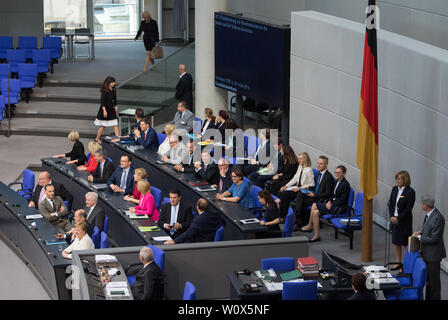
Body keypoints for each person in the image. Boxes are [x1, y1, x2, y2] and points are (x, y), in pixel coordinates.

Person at [301, 165, 351, 242]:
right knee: (315, 212)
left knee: (314, 205)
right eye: (336, 172)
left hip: (339, 208)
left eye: (339, 173)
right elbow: (332, 194)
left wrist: (331, 204)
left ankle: (309, 225)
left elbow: (343, 200)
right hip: (332, 205)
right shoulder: (336, 181)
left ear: (344, 174)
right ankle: (317, 235)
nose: (336, 174)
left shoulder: (345, 185)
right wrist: (329, 201)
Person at [411, 195, 446, 300]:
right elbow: (428, 229)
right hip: (427, 254)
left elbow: (434, 238)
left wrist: (420, 237)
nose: (420, 205)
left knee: (434, 283)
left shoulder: (438, 218)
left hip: (433, 256)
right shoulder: (429, 215)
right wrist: (420, 232)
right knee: (429, 282)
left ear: (426, 205)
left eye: (421, 203)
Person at [293, 155, 335, 227]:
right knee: (300, 194)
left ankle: (299, 221)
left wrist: (314, 195)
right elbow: (315, 186)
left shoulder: (329, 177)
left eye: (321, 164)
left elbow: (328, 194)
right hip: (314, 194)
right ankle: (299, 219)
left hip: (320, 199)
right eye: (318, 163)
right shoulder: (319, 173)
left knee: (302, 202)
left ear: (326, 164)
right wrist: (307, 188)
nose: (318, 165)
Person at [387, 170, 415, 270]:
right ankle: (398, 262)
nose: (397, 181)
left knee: (404, 243)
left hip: (404, 221)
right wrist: (391, 216)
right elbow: (390, 203)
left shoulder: (410, 192)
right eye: (397, 178)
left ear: (405, 179)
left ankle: (406, 264)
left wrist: (398, 218)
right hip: (394, 220)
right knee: (396, 242)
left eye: (399, 179)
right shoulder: (394, 189)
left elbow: (408, 208)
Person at [276, 152, 315, 220]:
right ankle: (282, 216)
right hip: (297, 188)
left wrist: (299, 188)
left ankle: (295, 218)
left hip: (304, 190)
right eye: (299, 158)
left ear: (305, 159)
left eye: (300, 159)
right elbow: (294, 179)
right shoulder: (300, 167)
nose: (298, 160)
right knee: (284, 193)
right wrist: (286, 186)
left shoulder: (309, 170)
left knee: (287, 195)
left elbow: (311, 184)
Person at [94, 76, 119, 142]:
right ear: (109, 83)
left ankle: (118, 137)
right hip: (105, 109)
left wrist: (116, 106)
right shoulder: (104, 91)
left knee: (115, 123)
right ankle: (97, 138)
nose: (114, 83)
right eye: (113, 82)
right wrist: (104, 111)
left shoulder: (114, 90)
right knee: (103, 125)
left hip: (111, 109)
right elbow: (102, 102)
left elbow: (115, 99)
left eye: (114, 82)